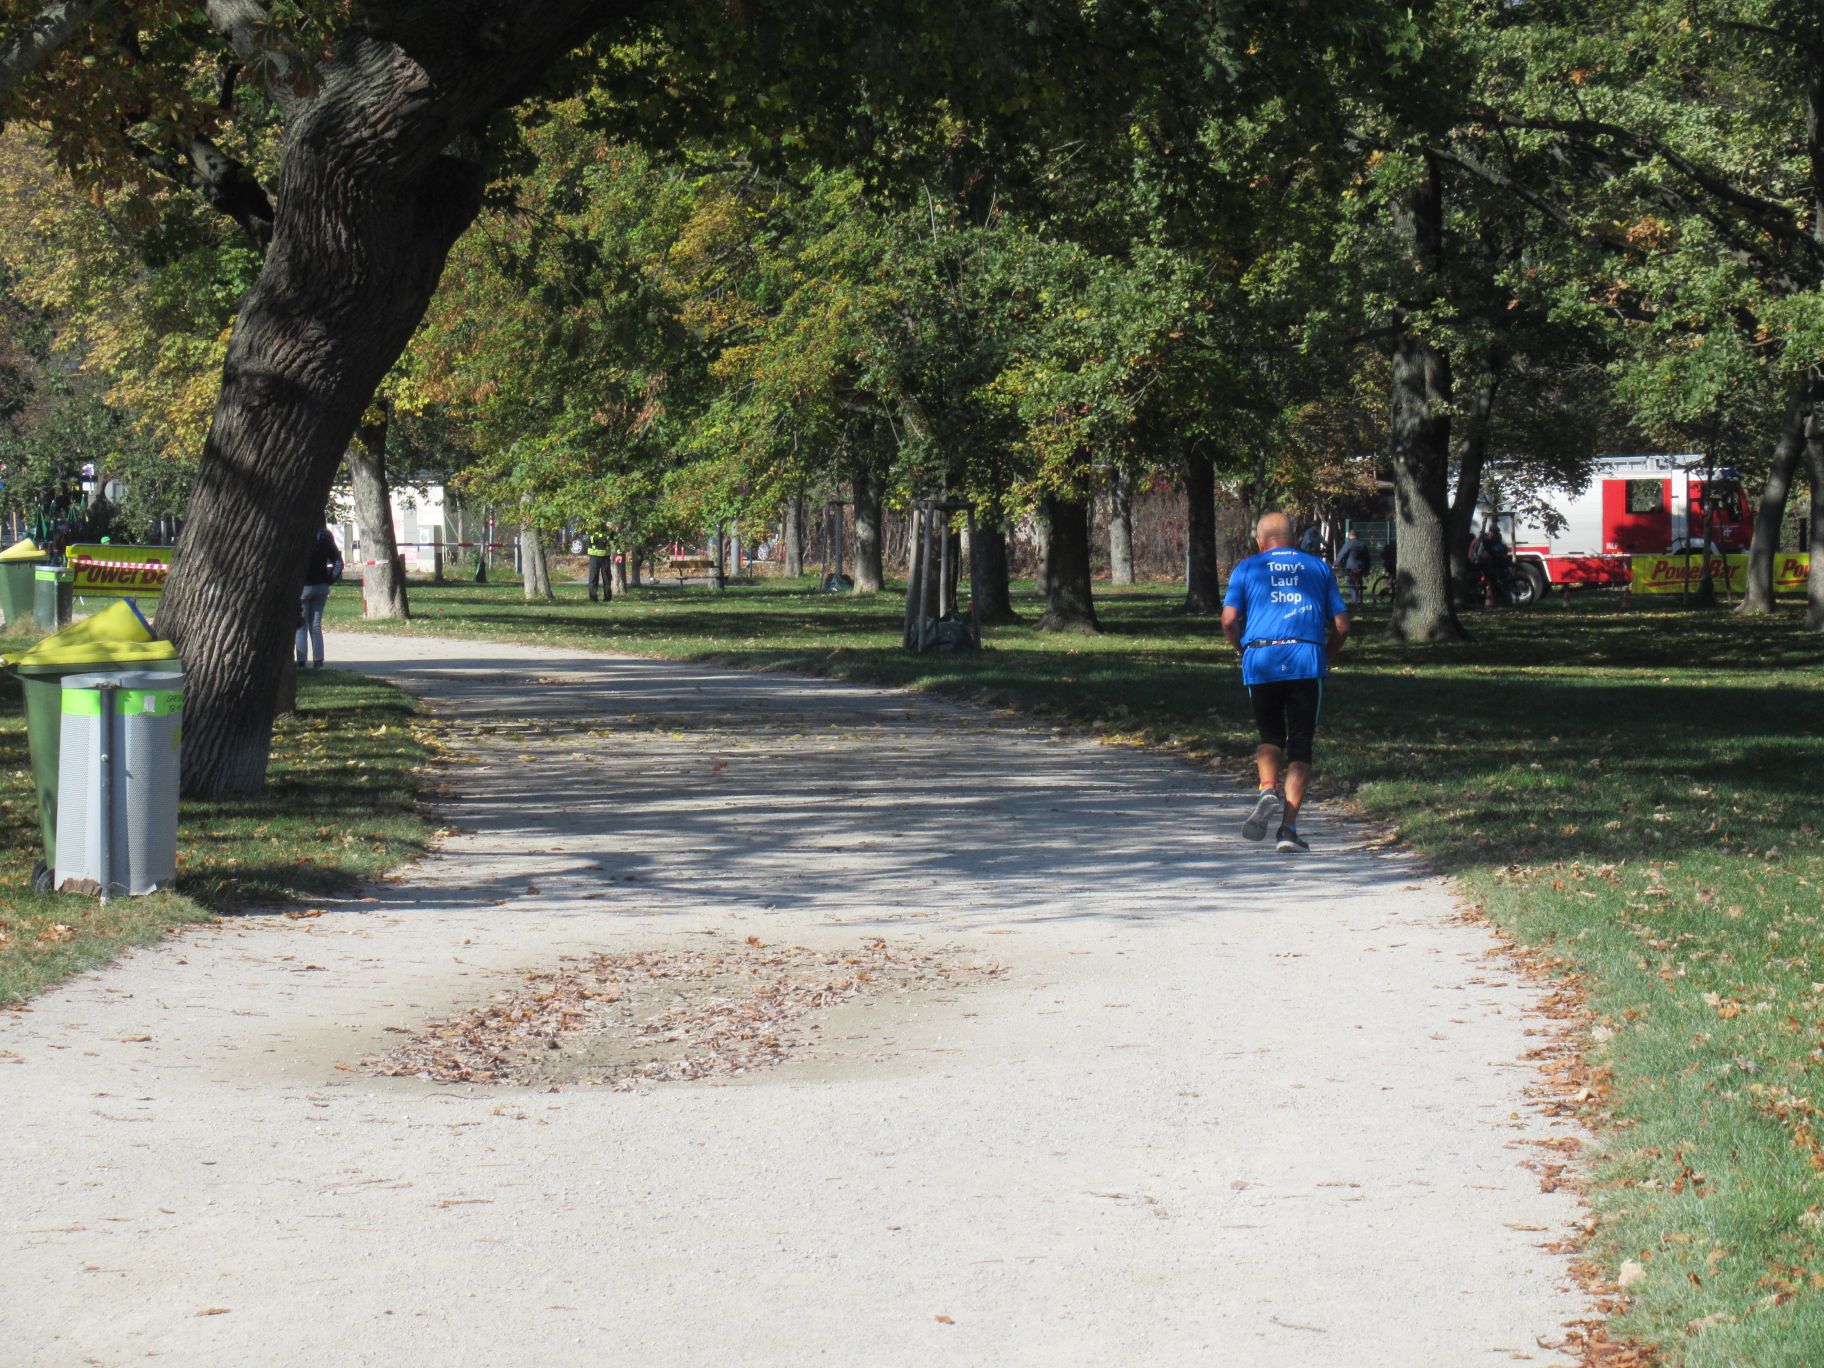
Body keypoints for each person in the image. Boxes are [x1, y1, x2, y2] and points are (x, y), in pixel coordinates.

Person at [1222, 511, 1351, 854]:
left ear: (1260, 542)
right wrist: (1326, 655)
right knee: (1301, 743)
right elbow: (1342, 625)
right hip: (1305, 659)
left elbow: (1229, 620)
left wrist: (1242, 649)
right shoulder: (1318, 568)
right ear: (1294, 539)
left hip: (1261, 658)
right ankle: (1288, 830)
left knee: (1270, 735)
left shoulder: (1246, 568)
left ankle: (1267, 787)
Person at [296, 517, 343, 669]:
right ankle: (318, 660)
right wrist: (330, 579)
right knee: (316, 625)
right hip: (321, 585)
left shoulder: (300, 535)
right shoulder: (326, 537)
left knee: (301, 625)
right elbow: (338, 562)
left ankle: (301, 661)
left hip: (304, 586)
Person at [1334, 528, 1370, 607]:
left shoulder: (1349, 544)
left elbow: (1342, 554)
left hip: (1352, 568)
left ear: (1350, 536)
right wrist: (1367, 570)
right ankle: (1359, 601)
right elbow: (1367, 558)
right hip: (1361, 568)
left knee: (1350, 583)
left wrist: (1336, 563)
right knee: (1357, 583)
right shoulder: (1362, 544)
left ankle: (1356, 602)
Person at [586, 529, 612, 602]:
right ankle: (593, 598)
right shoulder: (591, 529)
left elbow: (614, 541)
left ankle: (607, 598)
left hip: (605, 556)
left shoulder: (608, 531)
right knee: (593, 578)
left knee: (606, 578)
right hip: (594, 556)